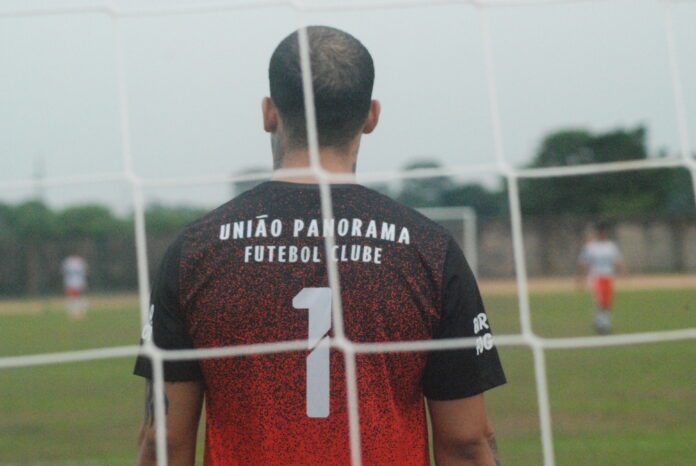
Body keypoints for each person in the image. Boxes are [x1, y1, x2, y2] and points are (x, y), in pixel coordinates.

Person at [134, 26, 506, 466]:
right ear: (371, 116)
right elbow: (466, 443)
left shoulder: (196, 250)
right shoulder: (427, 248)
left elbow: (164, 443)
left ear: (269, 113)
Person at [577, 221, 625, 334]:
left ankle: (601, 322)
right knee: (601, 301)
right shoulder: (591, 247)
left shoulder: (610, 246)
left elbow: (617, 260)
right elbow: (583, 262)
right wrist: (580, 277)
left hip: (608, 276)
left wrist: (623, 271)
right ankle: (603, 325)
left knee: (607, 302)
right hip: (596, 277)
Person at [61, 254, 88, 320]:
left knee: (78, 298)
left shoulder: (71, 262)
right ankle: (74, 313)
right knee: (73, 297)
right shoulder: (69, 262)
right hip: (72, 282)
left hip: (78, 282)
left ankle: (78, 313)